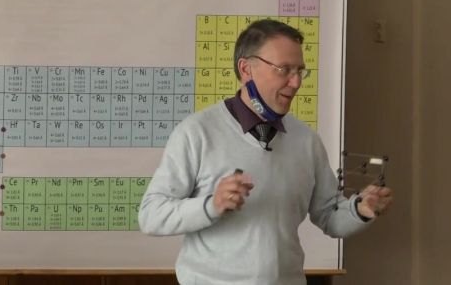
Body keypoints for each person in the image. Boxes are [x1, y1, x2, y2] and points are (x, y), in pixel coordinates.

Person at [138, 19, 393, 285]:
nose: (296, 82)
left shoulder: (306, 141)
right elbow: (151, 216)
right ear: (246, 69)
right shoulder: (197, 133)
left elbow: (329, 216)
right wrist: (211, 205)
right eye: (284, 69)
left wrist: (361, 210)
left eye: (300, 71)